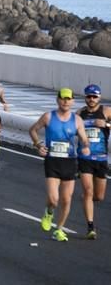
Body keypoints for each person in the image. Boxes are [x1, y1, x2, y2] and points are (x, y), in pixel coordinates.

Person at [29, 88, 90, 242]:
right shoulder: (48, 116)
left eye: (68, 99)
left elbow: (84, 138)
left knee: (66, 199)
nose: (65, 101)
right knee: (53, 199)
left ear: (72, 101)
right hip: (52, 161)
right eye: (63, 98)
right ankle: (49, 211)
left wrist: (85, 145)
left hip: (69, 161)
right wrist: (38, 145)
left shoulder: (77, 120)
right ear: (57, 100)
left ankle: (59, 229)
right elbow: (33, 130)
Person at [76, 84, 110, 239]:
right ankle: (90, 227)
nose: (91, 99)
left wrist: (107, 124)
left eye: (94, 96)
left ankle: (87, 200)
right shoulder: (79, 114)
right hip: (85, 158)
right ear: (85, 97)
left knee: (99, 196)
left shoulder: (106, 111)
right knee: (88, 191)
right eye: (89, 96)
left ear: (99, 97)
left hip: (102, 159)